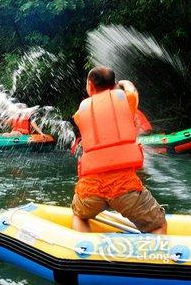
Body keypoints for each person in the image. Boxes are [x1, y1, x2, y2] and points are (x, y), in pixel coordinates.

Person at [71, 66, 167, 234]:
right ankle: (156, 258)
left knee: (79, 216)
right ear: (114, 84)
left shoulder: (82, 110)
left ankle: (82, 250)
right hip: (125, 189)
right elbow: (131, 89)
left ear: (90, 85)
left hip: (90, 190)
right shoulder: (127, 100)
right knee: (159, 225)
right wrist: (121, 84)